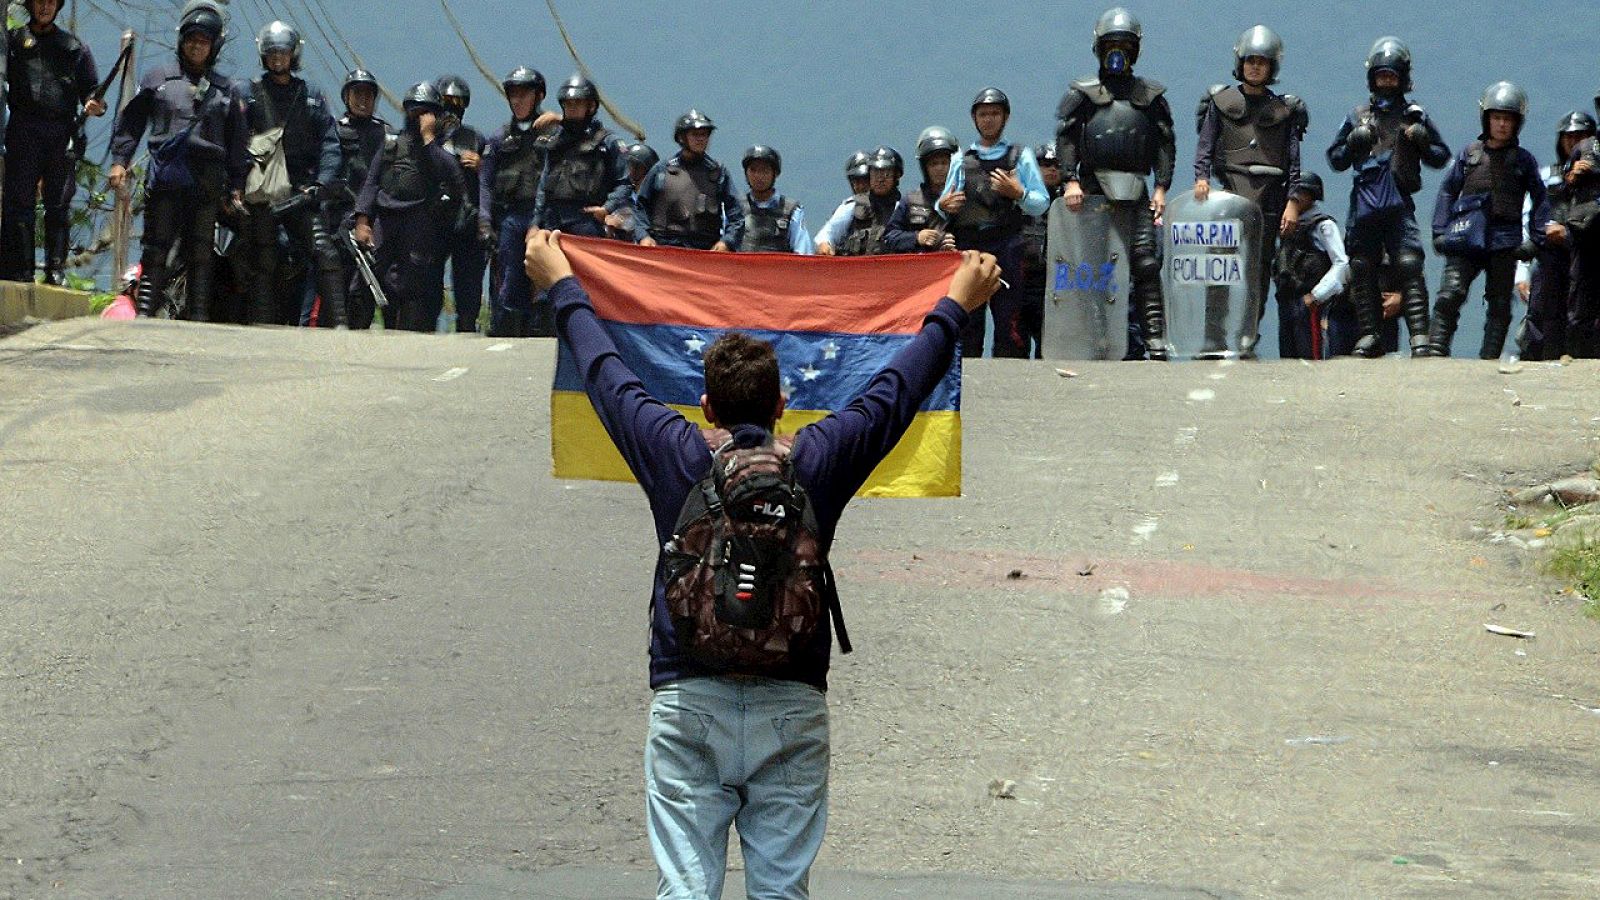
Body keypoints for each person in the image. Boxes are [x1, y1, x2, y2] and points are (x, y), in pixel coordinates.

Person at [521, 227, 1000, 900]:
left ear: (707, 405)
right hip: (791, 700)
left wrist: (564, 283)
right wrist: (954, 305)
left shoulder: (678, 454)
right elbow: (893, 391)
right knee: (780, 892)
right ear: (782, 406)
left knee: (686, 890)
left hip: (690, 695)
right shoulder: (817, 459)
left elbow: (606, 372)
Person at [1055, 7, 1177, 359]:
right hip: (1092, 190)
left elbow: (1165, 142)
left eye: (1124, 46)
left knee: (1145, 262)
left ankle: (1155, 339)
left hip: (1137, 189)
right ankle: (1097, 337)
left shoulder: (1150, 97)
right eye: (1111, 45)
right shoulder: (1083, 94)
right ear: (1099, 48)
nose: (1117, 53)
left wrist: (1161, 186)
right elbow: (1066, 139)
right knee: (1093, 266)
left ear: (1135, 50)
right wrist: (1070, 180)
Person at [108, 1, 234, 321]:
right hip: (166, 179)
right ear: (181, 40)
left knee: (201, 253)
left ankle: (198, 320)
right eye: (192, 38)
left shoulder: (225, 90)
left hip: (207, 182)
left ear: (214, 45)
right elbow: (131, 122)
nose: (197, 46)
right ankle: (146, 316)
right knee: (155, 249)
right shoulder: (157, 79)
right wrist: (120, 161)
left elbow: (237, 142)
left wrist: (236, 186)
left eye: (204, 40)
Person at [1327, 36, 1450, 357]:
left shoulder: (1415, 116)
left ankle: (1420, 337)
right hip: (1365, 202)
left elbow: (1441, 156)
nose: (1386, 82)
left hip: (1399, 202)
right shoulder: (1357, 116)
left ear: (1402, 78)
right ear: (1372, 78)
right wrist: (1355, 140)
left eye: (1391, 76)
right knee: (1362, 265)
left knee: (1409, 264)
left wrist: (1422, 139)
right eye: (1382, 76)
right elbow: (1336, 159)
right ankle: (1369, 335)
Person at [1193, 25, 1308, 355]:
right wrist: (1201, 177)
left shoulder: (1285, 110)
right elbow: (1206, 145)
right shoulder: (1222, 101)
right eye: (1250, 61)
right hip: (1228, 197)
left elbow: (1293, 162)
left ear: (1272, 67)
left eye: (1262, 61)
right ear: (1240, 62)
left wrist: (1292, 203)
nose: (1256, 67)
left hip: (1270, 203)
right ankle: (1212, 338)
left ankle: (1246, 337)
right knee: (1220, 270)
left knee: (1257, 275)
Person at [230, 21, 347, 327]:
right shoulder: (249, 93)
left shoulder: (312, 95)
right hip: (262, 192)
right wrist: (237, 185)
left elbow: (331, 143)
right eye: (272, 53)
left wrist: (322, 184)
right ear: (263, 55)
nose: (278, 58)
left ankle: (340, 325)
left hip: (302, 191)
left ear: (294, 54)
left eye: (283, 52)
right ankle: (262, 327)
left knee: (325, 253)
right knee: (264, 261)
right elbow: (235, 142)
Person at [1428, 82, 1549, 359]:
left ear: (1517, 123)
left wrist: (1536, 239)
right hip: (1465, 236)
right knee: (1450, 294)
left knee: (1499, 305)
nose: (1502, 125)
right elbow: (1448, 190)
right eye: (1497, 118)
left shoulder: (1524, 161)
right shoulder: (1469, 154)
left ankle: (1489, 359)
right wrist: (1439, 230)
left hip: (1504, 240)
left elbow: (1541, 199)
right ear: (1486, 119)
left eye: (1508, 119)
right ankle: (1435, 351)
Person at [939, 87, 1051, 357]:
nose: (988, 119)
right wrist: (944, 205)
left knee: (1009, 317)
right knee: (969, 317)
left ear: (1006, 118)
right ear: (974, 119)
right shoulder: (962, 159)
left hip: (1008, 244)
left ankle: (1008, 379)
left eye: (994, 114)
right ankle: (967, 376)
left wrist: (1018, 193)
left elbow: (1041, 201)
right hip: (971, 247)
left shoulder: (1018, 156)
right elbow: (943, 202)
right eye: (983, 114)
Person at [3, 0, 103, 284]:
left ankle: (55, 271)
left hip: (60, 133)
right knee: (18, 202)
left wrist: (94, 104)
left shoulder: (73, 47)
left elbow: (91, 90)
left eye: (50, 2)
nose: (44, 7)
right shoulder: (12, 41)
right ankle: (18, 271)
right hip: (23, 130)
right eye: (39, 1)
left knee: (58, 203)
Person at [352, 82, 464, 333]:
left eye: (423, 112)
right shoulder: (391, 141)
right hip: (385, 218)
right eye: (413, 111)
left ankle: (408, 338)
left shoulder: (441, 147)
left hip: (419, 221)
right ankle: (356, 333)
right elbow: (371, 182)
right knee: (365, 278)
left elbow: (453, 175)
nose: (416, 117)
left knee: (412, 286)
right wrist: (362, 220)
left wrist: (428, 139)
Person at [478, 65, 558, 336]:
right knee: (510, 279)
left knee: (547, 277)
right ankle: (508, 331)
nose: (518, 100)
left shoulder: (555, 134)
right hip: (511, 218)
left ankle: (543, 330)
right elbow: (485, 184)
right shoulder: (499, 139)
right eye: (513, 94)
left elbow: (588, 132)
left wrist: (561, 122)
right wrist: (485, 222)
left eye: (524, 94)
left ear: (538, 96)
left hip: (545, 220)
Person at [1517, 112, 1593, 359]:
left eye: (1581, 137)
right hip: (1551, 259)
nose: (1574, 143)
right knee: (1543, 317)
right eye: (1569, 137)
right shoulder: (1545, 176)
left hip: (1589, 259)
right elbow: (1528, 220)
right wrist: (1522, 271)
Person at [326, 68, 392, 330]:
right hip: (337, 219)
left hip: (374, 221)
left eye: (368, 95)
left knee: (366, 287)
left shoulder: (385, 135)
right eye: (357, 94)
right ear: (346, 97)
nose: (363, 100)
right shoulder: (334, 131)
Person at [535, 74, 631, 238]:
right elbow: (543, 186)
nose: (571, 108)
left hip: (586, 220)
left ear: (591, 107)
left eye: (577, 103)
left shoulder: (606, 142)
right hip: (552, 221)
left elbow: (624, 184)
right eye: (567, 103)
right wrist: (535, 223)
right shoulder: (555, 141)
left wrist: (607, 208)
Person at [634, 109, 742, 251]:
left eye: (704, 135)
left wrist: (727, 242)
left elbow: (736, 215)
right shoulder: (662, 170)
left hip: (705, 252)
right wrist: (643, 236)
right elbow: (640, 207)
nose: (701, 139)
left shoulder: (717, 172)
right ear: (682, 138)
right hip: (665, 248)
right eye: (695, 135)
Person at [1272, 173, 1350, 358]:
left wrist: (1317, 295)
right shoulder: (1288, 225)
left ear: (1311, 195)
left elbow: (1341, 263)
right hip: (1288, 298)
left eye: (1299, 193)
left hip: (1309, 300)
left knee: (1311, 354)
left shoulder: (1323, 225)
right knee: (1288, 355)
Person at [435, 74, 488, 332]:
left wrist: (481, 166)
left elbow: (493, 180)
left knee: (468, 285)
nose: (451, 108)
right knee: (428, 282)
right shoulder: (424, 137)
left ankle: (467, 329)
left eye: (457, 102)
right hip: (433, 221)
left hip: (466, 221)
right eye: (446, 101)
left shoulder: (475, 139)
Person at [1017, 141, 1067, 357]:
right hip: (1020, 281)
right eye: (1046, 164)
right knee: (1014, 347)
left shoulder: (1071, 203)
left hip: (1055, 286)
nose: (1053, 169)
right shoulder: (1019, 198)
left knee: (1049, 350)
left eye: (1057, 164)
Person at [815, 146, 903, 257]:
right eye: (876, 173)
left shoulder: (903, 209)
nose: (880, 179)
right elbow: (827, 234)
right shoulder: (853, 206)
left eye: (886, 174)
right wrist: (825, 245)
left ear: (897, 176)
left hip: (891, 272)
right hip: (854, 271)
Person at [884, 126, 959, 255]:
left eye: (944, 162)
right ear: (925, 167)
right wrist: (917, 238)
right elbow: (889, 238)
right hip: (921, 270)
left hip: (960, 270)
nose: (939, 168)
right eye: (934, 163)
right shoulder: (911, 201)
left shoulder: (964, 199)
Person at [737, 145, 813, 253]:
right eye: (753, 170)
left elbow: (803, 251)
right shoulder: (734, 208)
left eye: (764, 170)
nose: (758, 176)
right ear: (746, 173)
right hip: (741, 269)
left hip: (780, 269)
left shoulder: (792, 210)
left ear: (775, 174)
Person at [605, 141, 656, 240]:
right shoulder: (623, 196)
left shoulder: (656, 199)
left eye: (637, 166)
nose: (632, 171)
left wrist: (623, 221)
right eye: (630, 165)